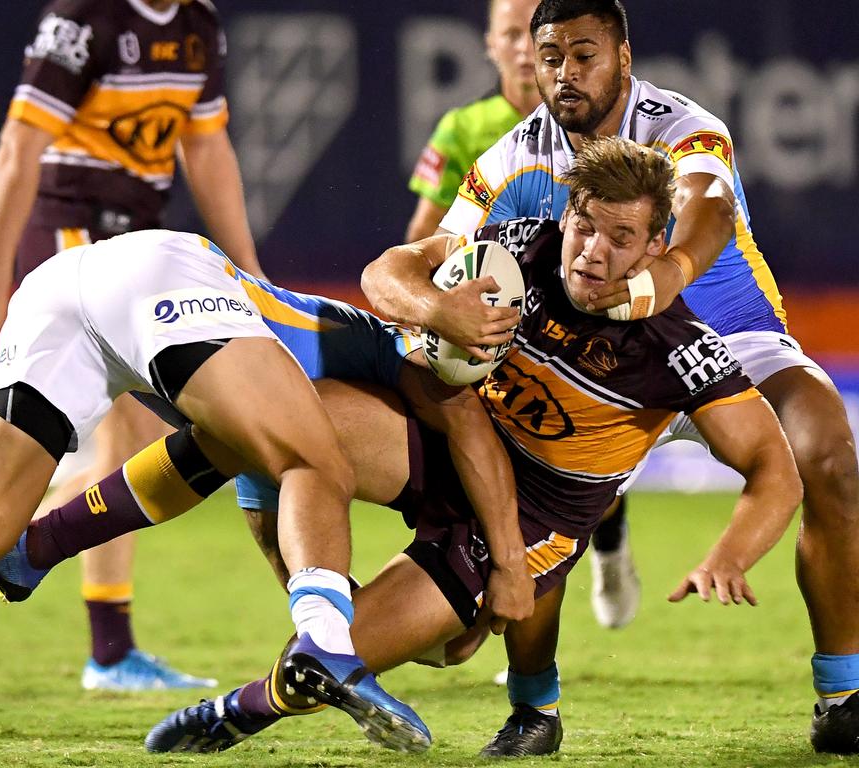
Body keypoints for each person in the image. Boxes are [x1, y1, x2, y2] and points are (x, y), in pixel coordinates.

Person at [0, 139, 801, 756]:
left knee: (388, 652)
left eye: (621, 238)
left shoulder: (681, 349)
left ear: (658, 248)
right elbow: (387, 272)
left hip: (532, 518)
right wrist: (435, 310)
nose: (591, 250)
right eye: (585, 225)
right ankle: (34, 546)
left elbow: (773, 472)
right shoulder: (522, 254)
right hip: (440, 441)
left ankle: (245, 709)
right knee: (267, 424)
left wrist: (729, 553)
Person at [362, 0, 859, 756]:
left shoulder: (680, 125)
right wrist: (435, 312)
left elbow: (709, 212)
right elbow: (424, 261)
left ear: (624, 56)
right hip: (593, 374)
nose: (565, 73)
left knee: (827, 451)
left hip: (728, 338)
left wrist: (656, 284)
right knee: (527, 506)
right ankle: (535, 710)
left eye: (584, 54)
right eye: (550, 56)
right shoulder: (508, 161)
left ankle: (844, 691)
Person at [0, 230, 458, 754]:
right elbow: (439, 424)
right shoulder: (392, 350)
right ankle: (328, 647)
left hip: (60, 288)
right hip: (168, 276)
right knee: (318, 460)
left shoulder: (261, 402)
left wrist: (350, 616)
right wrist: (340, 632)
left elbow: (219, 483)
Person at [0, 0, 265, 690]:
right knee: (124, 446)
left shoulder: (198, 23)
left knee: (141, 455)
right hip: (68, 231)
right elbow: (18, 148)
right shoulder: (86, 18)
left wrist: (250, 270)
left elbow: (205, 146)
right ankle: (107, 650)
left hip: (137, 237)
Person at [405, 0, 542, 243]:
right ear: (491, 45)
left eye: (537, 32)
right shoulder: (460, 128)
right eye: (512, 34)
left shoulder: (582, 121)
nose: (526, 47)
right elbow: (422, 238)